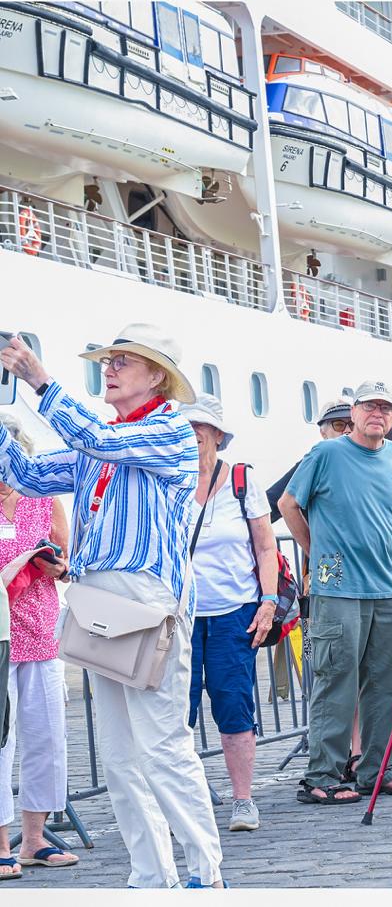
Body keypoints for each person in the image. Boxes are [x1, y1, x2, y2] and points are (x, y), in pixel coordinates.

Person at [0, 325, 224, 888]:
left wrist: (39, 380)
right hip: (104, 600)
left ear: (157, 376)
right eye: (110, 359)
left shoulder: (169, 429)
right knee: (123, 757)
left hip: (146, 601)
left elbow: (98, 440)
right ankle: (151, 878)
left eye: (123, 360)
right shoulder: (105, 438)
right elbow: (26, 475)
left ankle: (205, 874)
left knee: (163, 746)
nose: (111, 368)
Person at [280, 380, 392, 804]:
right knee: (336, 681)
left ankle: (378, 771)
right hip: (338, 586)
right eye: (369, 407)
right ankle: (321, 776)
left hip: (386, 588)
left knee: (389, 684)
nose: (377, 414)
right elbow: (288, 504)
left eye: (386, 408)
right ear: (354, 413)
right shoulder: (326, 454)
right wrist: (317, 550)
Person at [178, 395, 280, 833]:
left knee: (234, 704)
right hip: (177, 616)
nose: (192, 436)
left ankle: (242, 800)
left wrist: (269, 602)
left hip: (233, 612)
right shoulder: (169, 480)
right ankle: (180, 801)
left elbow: (265, 547)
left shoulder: (241, 480)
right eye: (185, 428)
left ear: (218, 436)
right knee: (176, 711)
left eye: (199, 428)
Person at [0, 414, 77, 879]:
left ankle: (34, 839)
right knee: (0, 740)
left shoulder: (42, 499)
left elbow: (67, 563)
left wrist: (57, 567)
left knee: (47, 736)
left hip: (41, 631)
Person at [265, 396, 351, 522]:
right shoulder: (314, 464)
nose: (347, 430)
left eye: (352, 425)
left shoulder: (371, 462)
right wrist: (307, 535)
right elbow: (272, 504)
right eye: (339, 425)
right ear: (324, 433)